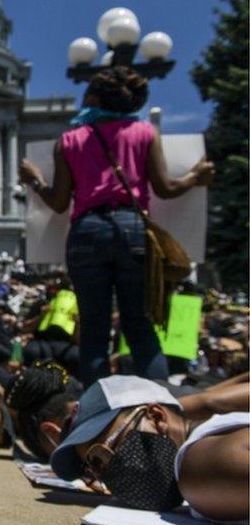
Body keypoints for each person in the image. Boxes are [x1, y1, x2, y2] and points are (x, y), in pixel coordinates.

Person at [19, 67, 215, 388]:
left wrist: (35, 181)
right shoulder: (144, 134)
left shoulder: (69, 141)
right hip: (133, 230)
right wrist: (195, 177)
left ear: (94, 99)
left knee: (94, 330)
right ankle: (161, 406)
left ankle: (100, 414)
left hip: (86, 231)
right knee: (139, 325)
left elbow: (57, 202)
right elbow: (165, 188)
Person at [51, 375, 248, 522]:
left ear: (156, 417)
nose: (109, 474)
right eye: (95, 465)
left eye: (107, 449)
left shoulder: (200, 468)